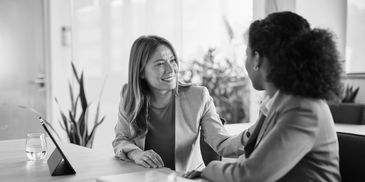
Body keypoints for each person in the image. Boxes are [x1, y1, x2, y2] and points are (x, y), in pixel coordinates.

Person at [189, 11, 342, 181]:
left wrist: (207, 169)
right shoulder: (279, 103)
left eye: (247, 54)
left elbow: (248, 176)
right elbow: (245, 154)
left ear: (257, 59)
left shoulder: (303, 110)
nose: (245, 61)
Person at [112, 35, 245, 172]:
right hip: (145, 178)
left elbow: (222, 144)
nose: (171, 69)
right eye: (160, 64)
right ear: (141, 72)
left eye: (172, 60)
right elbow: (121, 139)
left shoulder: (198, 97)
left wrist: (251, 135)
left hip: (187, 178)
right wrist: (136, 154)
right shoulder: (130, 95)